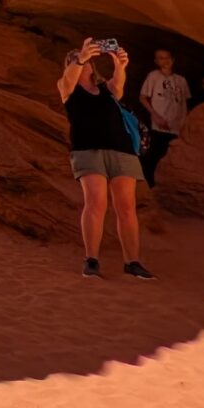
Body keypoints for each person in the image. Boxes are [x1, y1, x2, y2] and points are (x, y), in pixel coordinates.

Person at [58, 37, 153, 279]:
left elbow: (118, 86)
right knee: (96, 202)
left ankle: (132, 262)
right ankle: (91, 260)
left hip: (121, 150)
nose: (81, 62)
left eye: (86, 59)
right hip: (88, 150)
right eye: (73, 60)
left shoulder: (106, 90)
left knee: (127, 206)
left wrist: (120, 65)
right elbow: (68, 78)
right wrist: (80, 58)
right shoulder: (68, 88)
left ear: (93, 66)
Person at [137, 48, 189, 183]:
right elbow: (143, 97)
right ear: (156, 61)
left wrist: (185, 123)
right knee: (154, 157)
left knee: (172, 159)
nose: (165, 61)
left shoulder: (181, 80)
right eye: (161, 58)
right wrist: (155, 116)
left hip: (177, 127)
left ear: (172, 59)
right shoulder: (154, 76)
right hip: (159, 126)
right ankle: (149, 184)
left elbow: (184, 102)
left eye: (167, 58)